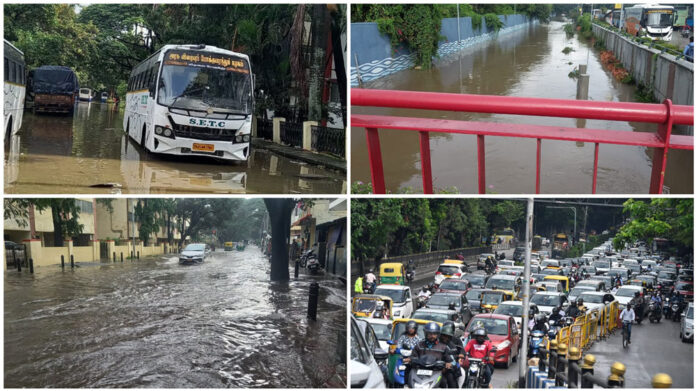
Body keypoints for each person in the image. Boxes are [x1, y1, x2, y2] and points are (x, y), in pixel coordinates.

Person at [439, 322, 463, 388]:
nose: (445, 338)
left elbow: (452, 359)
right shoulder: (434, 342)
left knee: (451, 382)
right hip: (432, 368)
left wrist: (449, 364)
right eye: (444, 335)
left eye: (448, 336)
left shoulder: (452, 346)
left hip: (446, 369)